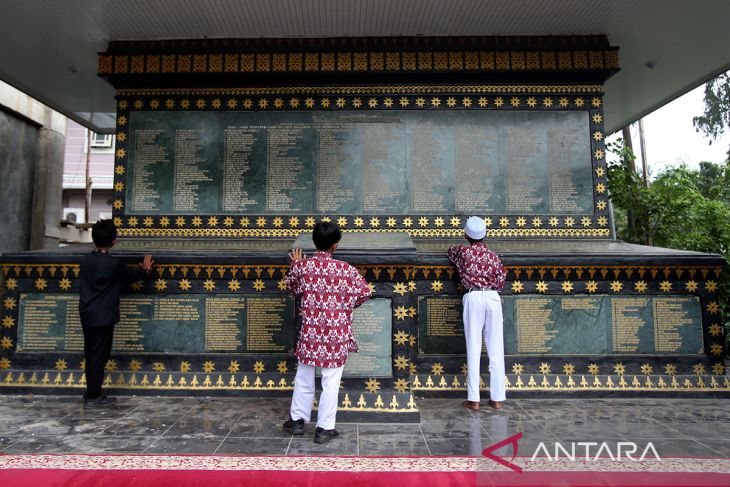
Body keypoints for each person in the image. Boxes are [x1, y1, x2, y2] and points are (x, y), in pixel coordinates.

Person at [282, 221, 372, 443]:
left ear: (315, 242)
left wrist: (295, 265)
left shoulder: (303, 268)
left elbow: (291, 287)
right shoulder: (346, 270)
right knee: (330, 381)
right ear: (335, 245)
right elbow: (364, 293)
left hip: (311, 332)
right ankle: (324, 428)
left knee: (304, 375)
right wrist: (343, 306)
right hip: (336, 332)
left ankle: (297, 421)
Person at [79, 219, 153, 407]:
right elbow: (130, 277)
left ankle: (91, 392)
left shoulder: (86, 261)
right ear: (114, 241)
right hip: (103, 317)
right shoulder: (111, 265)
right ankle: (94, 396)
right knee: (98, 356)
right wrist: (145, 270)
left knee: (91, 354)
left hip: (87, 314)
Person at [447, 216, 507, 411]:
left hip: (473, 297)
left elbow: (450, 253)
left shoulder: (463, 253)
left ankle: (474, 400)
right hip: (492, 297)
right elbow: (501, 279)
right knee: (496, 349)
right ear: (485, 235)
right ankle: (497, 398)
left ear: (466, 235)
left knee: (473, 348)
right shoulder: (493, 256)